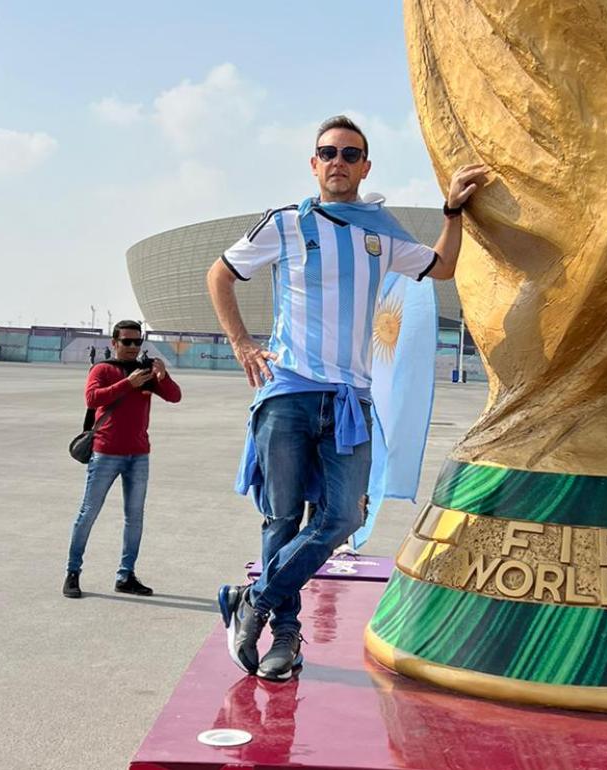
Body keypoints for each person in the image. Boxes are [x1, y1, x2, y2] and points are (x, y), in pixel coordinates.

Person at [207, 115, 488, 681]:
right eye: (327, 152)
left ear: (366, 166)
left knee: (341, 517)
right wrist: (241, 343)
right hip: (288, 391)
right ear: (314, 164)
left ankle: (254, 601)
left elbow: (443, 266)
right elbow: (220, 274)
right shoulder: (287, 223)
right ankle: (285, 636)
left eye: (350, 153)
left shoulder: (379, 231)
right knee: (282, 519)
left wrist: (453, 213)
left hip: (349, 402)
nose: (338, 161)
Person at [63, 320, 182, 599]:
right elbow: (93, 399)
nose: (132, 347)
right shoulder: (103, 369)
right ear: (113, 343)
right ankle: (72, 572)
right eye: (126, 341)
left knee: (134, 517)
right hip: (105, 453)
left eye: (137, 342)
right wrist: (127, 384)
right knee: (88, 513)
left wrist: (163, 376)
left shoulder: (146, 373)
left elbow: (175, 397)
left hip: (139, 455)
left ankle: (126, 575)